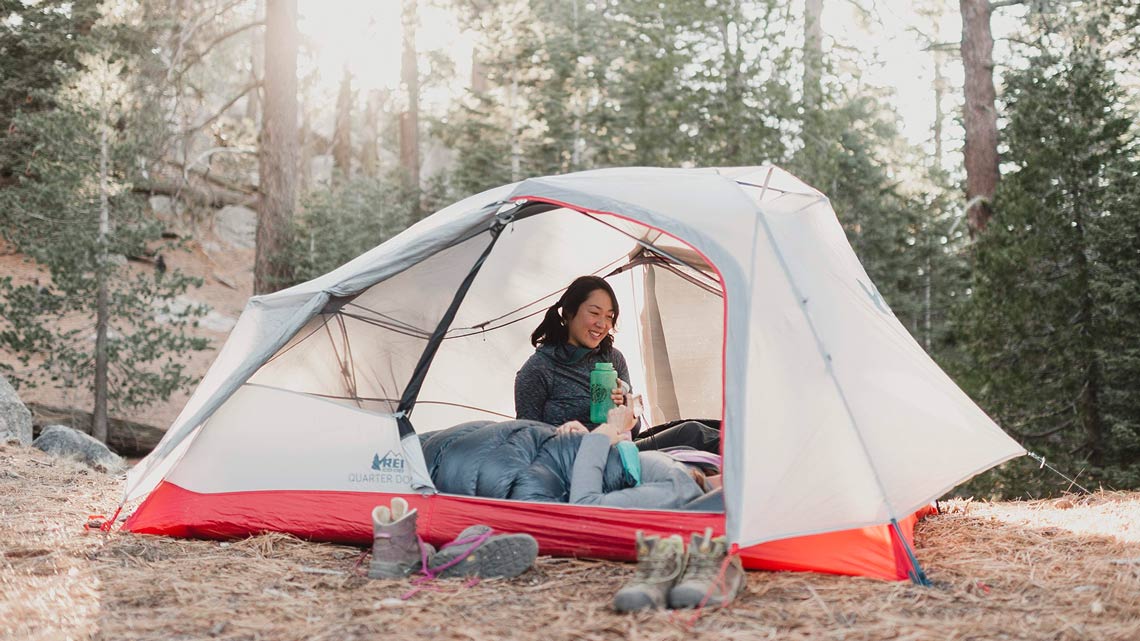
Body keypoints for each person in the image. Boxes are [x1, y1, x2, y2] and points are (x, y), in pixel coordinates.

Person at [419, 405, 719, 511]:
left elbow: (587, 505)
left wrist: (602, 434)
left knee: (418, 457)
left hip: (525, 471)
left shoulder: (678, 490)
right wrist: (582, 439)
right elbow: (623, 474)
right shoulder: (694, 475)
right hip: (544, 448)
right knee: (425, 447)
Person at [515, 275, 640, 436]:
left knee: (683, 432)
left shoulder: (613, 358)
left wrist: (624, 407)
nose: (602, 324)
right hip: (571, 456)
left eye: (609, 316)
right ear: (568, 312)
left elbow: (635, 430)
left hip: (620, 449)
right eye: (595, 313)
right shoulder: (539, 369)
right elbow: (526, 440)